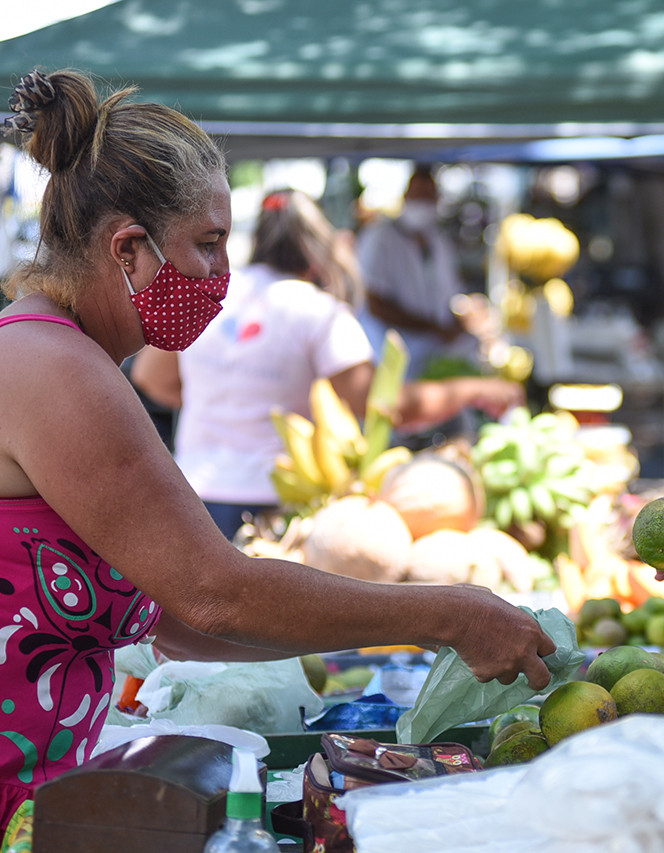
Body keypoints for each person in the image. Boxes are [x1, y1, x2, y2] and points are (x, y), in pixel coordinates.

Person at [0, 68, 555, 843]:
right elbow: (213, 593)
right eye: (209, 244)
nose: (223, 278)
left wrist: (408, 623)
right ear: (128, 249)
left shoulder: (64, 356)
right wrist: (442, 612)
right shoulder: (58, 369)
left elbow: (185, 620)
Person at [130, 188, 525, 538]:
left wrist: (219, 394)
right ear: (319, 249)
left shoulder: (213, 295)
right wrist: (474, 388)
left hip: (193, 499)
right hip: (277, 507)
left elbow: (151, 377)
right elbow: (384, 405)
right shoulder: (319, 310)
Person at [356, 166, 475, 380]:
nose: (424, 202)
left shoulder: (438, 241)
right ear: (405, 197)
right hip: (389, 357)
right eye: (418, 195)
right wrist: (432, 328)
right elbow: (374, 302)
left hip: (432, 357)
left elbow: (451, 294)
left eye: (429, 196)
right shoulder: (379, 238)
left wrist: (460, 321)